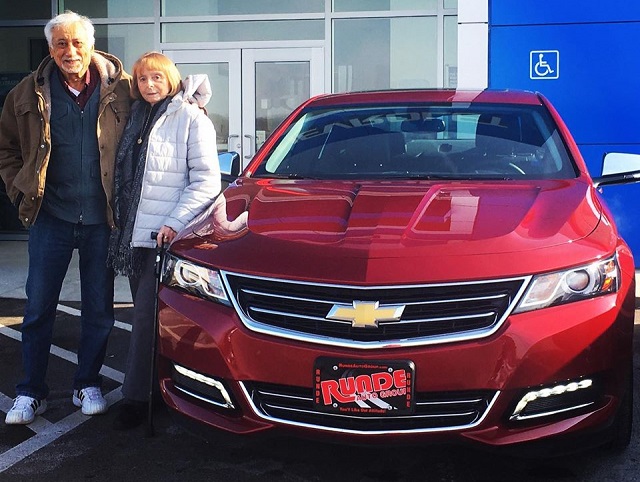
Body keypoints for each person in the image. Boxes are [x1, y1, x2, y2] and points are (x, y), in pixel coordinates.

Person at [0, 11, 132, 425]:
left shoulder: (123, 89)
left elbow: (164, 103)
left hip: (101, 219)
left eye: (76, 42)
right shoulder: (26, 93)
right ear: (50, 48)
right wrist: (19, 187)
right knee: (38, 307)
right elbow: (6, 149)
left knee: (99, 307)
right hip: (50, 217)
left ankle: (86, 382)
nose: (69, 51)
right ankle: (31, 392)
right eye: (60, 43)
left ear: (91, 44)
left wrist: (194, 98)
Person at [107, 52, 221, 430]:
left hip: (161, 236)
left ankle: (136, 399)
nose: (149, 85)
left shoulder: (189, 117)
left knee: (142, 320)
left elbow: (205, 180)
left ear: (171, 79)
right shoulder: (137, 116)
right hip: (132, 235)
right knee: (149, 322)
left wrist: (173, 223)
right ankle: (160, 387)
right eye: (142, 79)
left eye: (157, 77)